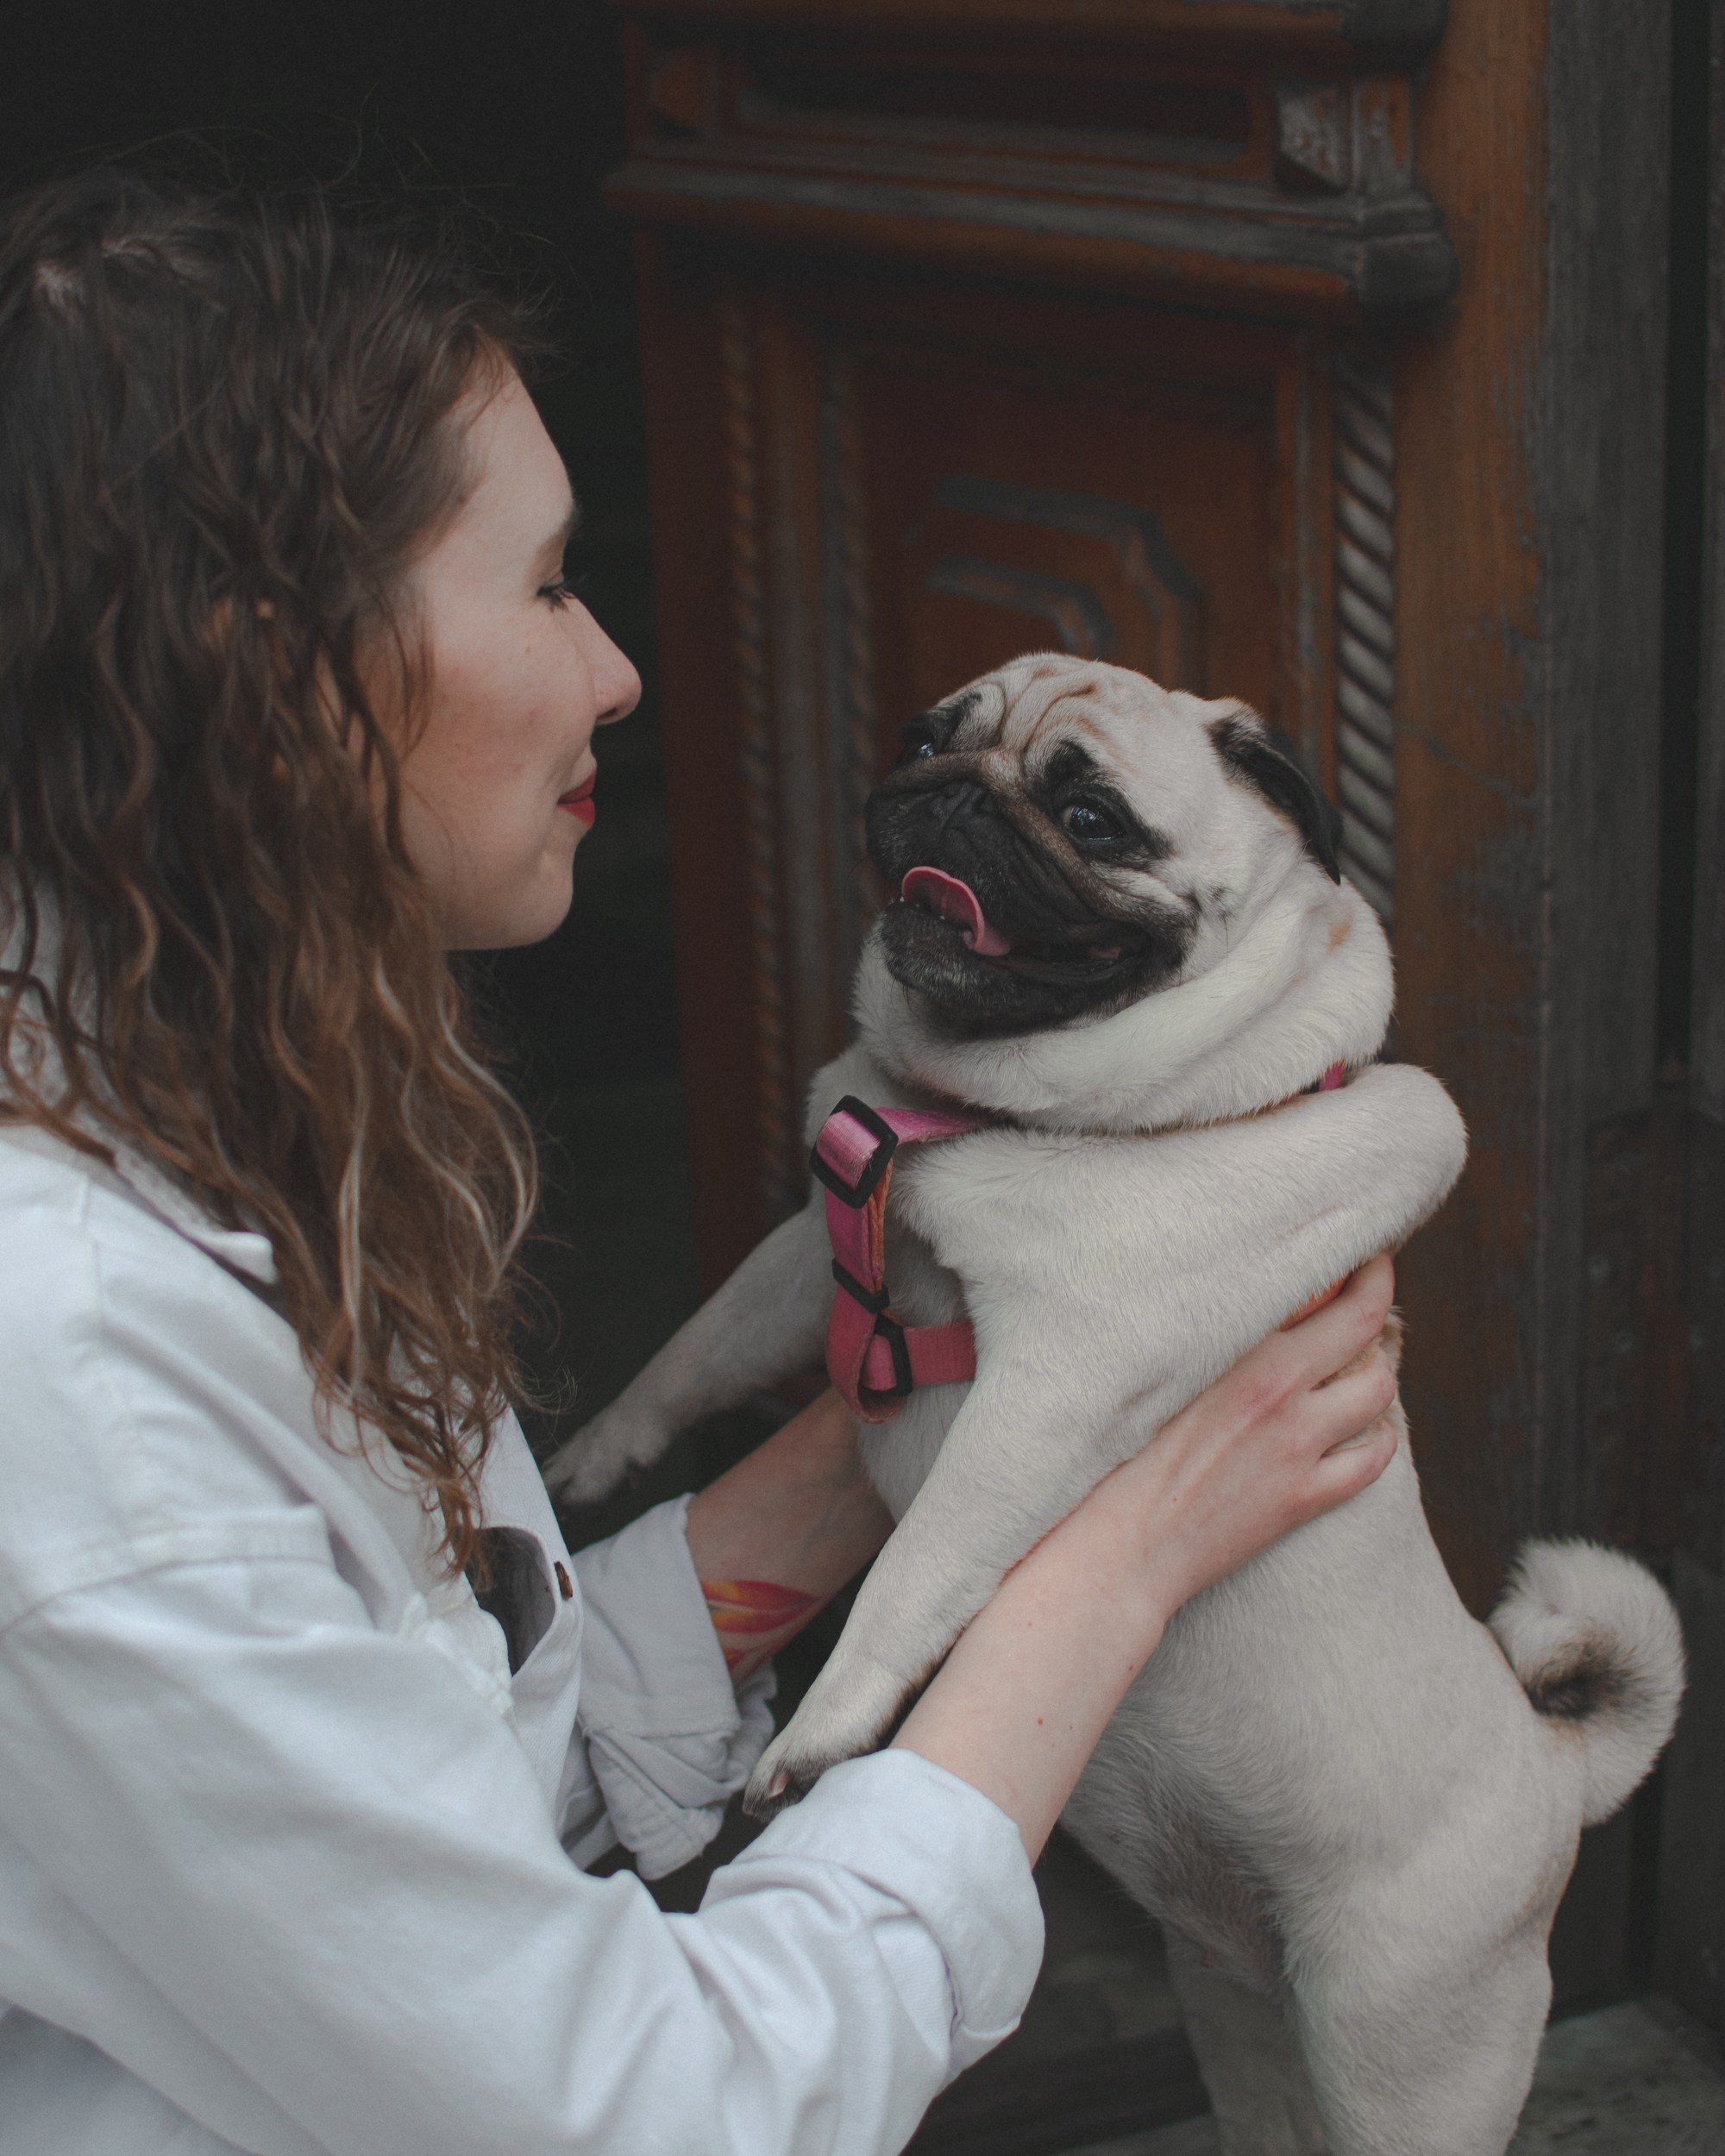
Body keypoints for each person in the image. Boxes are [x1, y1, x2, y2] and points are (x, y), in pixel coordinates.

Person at [0, 167, 1402, 2156]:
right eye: (546, 585)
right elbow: (651, 2109)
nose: (615, 671)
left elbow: (425, 1793)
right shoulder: (76, 1391)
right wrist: (1104, 1570)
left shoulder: (218, 1106)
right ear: (279, 686)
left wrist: (867, 1454)